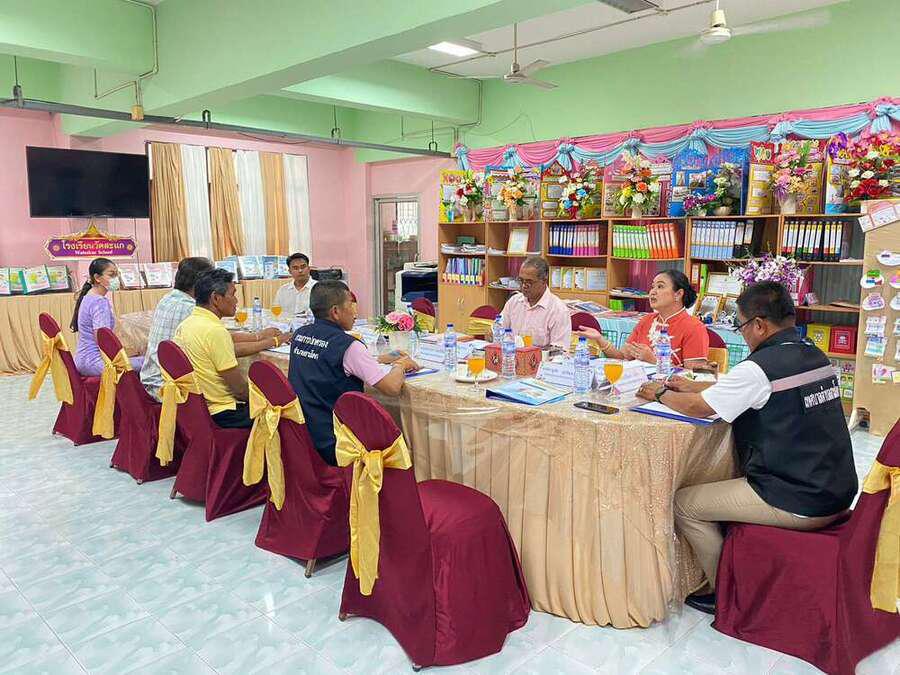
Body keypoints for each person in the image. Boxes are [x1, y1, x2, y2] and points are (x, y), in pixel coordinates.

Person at [636, 281, 857, 615]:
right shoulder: (814, 354)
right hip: (836, 487)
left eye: (740, 326)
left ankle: (726, 593)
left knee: (684, 504)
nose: (742, 335)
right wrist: (697, 385)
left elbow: (700, 408)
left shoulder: (759, 367)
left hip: (799, 498)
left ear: (759, 325)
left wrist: (660, 393)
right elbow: (750, 388)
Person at [288, 280, 418, 465]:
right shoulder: (348, 346)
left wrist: (377, 359)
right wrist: (401, 364)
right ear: (335, 312)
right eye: (351, 305)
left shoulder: (300, 334)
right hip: (339, 441)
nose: (355, 312)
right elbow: (391, 388)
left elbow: (327, 362)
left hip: (303, 433)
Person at [140, 257, 281, 400]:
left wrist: (258, 336)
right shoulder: (191, 309)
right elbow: (223, 348)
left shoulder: (168, 298)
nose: (236, 300)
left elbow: (220, 340)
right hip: (169, 386)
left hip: (154, 376)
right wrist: (271, 342)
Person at [174, 268, 292, 429]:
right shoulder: (214, 331)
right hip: (223, 412)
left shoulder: (188, 324)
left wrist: (266, 339)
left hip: (195, 408)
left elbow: (228, 344)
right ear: (216, 298)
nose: (236, 301)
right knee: (286, 413)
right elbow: (239, 391)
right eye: (233, 294)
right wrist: (266, 401)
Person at [575, 269, 709, 366]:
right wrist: (599, 339)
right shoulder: (647, 320)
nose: (653, 292)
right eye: (652, 287)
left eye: (660, 286)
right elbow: (622, 358)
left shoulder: (694, 327)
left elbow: (694, 377)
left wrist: (654, 361)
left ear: (678, 294)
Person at [71, 257, 143, 377]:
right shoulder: (99, 302)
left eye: (117, 274)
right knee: (148, 362)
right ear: (97, 278)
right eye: (111, 275)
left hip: (83, 359)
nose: (116, 278)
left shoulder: (88, 296)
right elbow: (102, 338)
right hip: (96, 362)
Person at [500, 256, 571, 349]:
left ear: (544, 281)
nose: (524, 286)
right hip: (511, 355)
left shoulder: (558, 310)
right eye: (521, 280)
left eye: (529, 282)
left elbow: (559, 350)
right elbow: (499, 330)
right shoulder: (514, 302)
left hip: (541, 358)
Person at [273, 252, 317, 317]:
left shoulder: (319, 288)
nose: (300, 270)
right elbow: (276, 312)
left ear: (308, 269)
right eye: (295, 268)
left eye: (303, 267)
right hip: (286, 323)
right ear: (290, 271)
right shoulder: (282, 290)